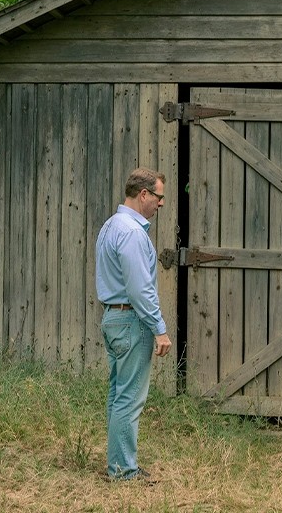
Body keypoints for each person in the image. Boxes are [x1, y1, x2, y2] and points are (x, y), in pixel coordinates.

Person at [96, 167, 173, 482]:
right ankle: (124, 471)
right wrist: (159, 328)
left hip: (113, 318)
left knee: (118, 394)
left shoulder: (111, 226)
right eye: (159, 196)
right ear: (144, 195)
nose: (161, 204)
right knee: (129, 398)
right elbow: (140, 288)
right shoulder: (131, 232)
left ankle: (118, 465)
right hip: (131, 320)